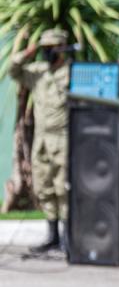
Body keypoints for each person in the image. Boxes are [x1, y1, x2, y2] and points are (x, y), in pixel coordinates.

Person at [10, 28, 73, 254]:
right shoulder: (37, 72)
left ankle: (68, 238)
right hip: (42, 139)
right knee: (44, 187)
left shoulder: (71, 72)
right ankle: (52, 235)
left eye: (51, 48)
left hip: (62, 137)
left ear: (61, 49)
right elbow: (13, 69)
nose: (47, 53)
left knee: (63, 188)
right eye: (45, 49)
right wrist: (31, 49)